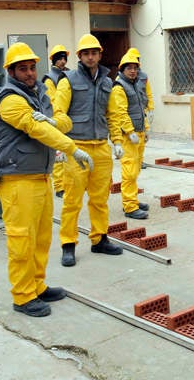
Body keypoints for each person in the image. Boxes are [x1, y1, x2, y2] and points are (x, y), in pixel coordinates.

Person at [0, 42, 94, 316]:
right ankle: (23, 295)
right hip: (17, 179)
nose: (29, 73)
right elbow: (37, 129)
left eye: (31, 67)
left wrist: (51, 122)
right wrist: (72, 148)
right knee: (21, 240)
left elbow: (64, 121)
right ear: (11, 71)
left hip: (40, 176)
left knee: (40, 238)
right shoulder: (9, 99)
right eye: (22, 69)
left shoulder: (39, 95)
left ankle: (37, 286)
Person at [54, 33, 124, 266]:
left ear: (100, 55)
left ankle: (99, 239)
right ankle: (68, 244)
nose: (91, 57)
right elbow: (59, 113)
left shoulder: (107, 82)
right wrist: (61, 145)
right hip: (77, 148)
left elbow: (113, 115)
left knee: (100, 199)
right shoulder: (68, 81)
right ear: (80, 57)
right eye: (86, 53)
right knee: (72, 200)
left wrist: (118, 141)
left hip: (101, 148)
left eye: (94, 53)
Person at [109, 48, 152, 219]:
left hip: (139, 133)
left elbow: (141, 110)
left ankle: (132, 198)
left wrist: (146, 128)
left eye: (135, 67)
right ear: (122, 70)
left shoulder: (135, 85)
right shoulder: (119, 87)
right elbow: (120, 112)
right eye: (129, 68)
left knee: (136, 169)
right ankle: (129, 206)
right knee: (129, 171)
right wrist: (130, 131)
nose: (133, 71)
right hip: (128, 137)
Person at [43, 44, 71, 198]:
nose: (62, 61)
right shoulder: (49, 79)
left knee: (69, 153)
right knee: (59, 155)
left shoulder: (69, 74)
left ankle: (68, 182)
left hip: (68, 119)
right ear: (54, 60)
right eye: (59, 58)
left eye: (64, 58)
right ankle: (60, 186)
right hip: (57, 119)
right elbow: (52, 101)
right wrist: (58, 120)